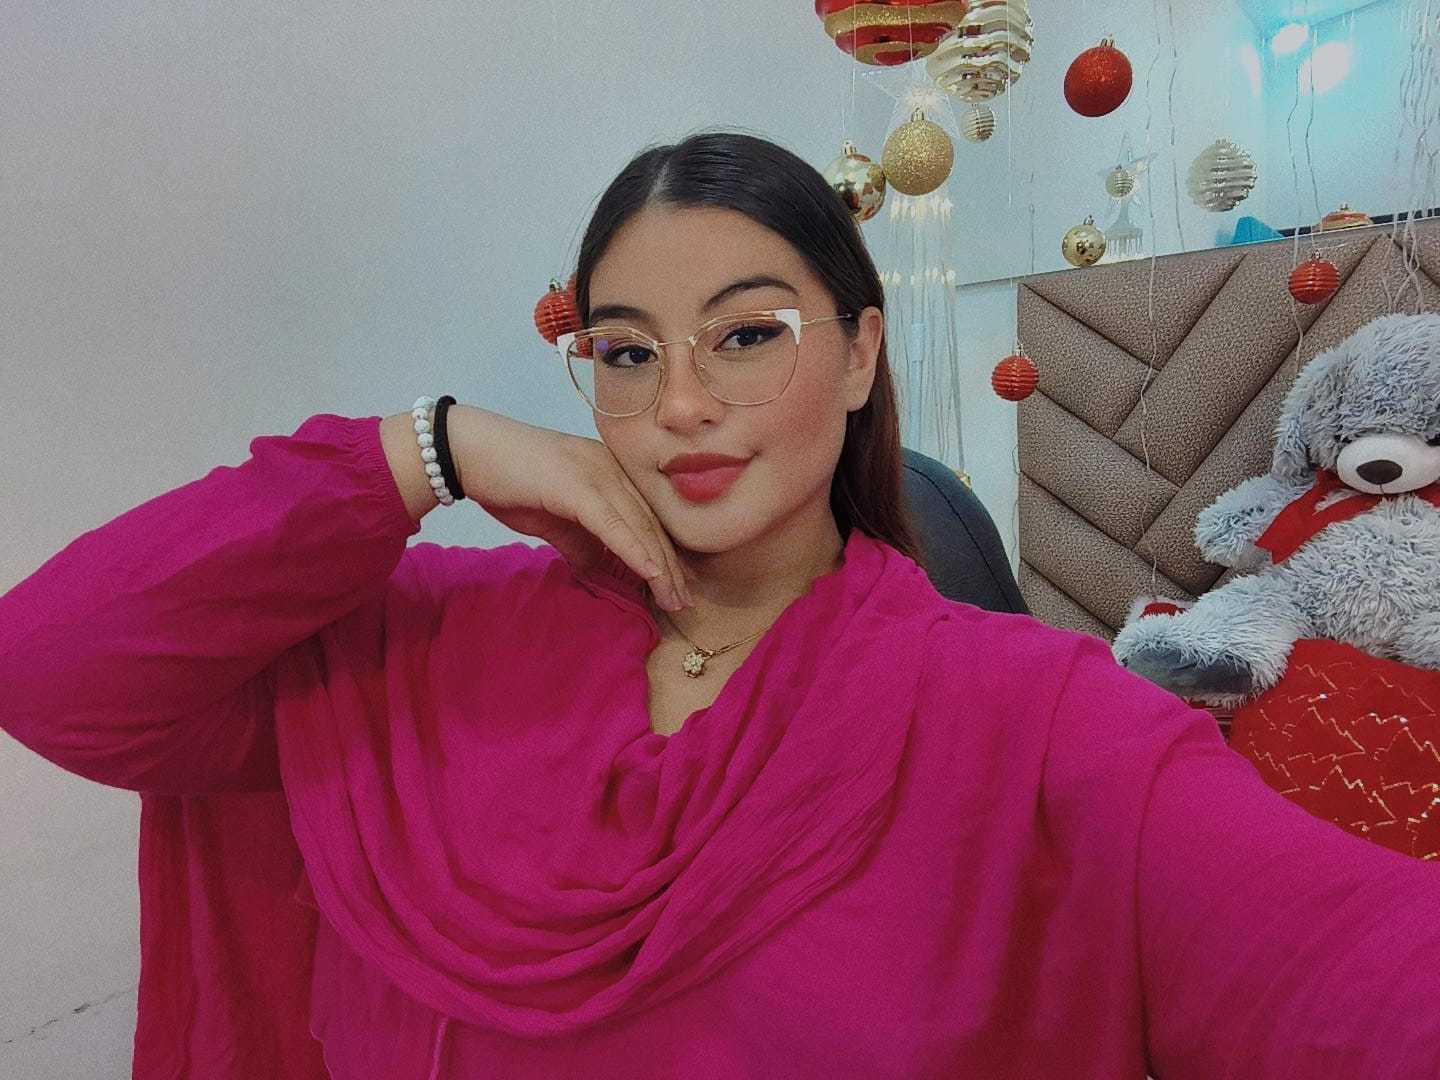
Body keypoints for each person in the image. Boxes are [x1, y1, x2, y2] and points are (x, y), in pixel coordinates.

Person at [1, 131, 1437, 1080]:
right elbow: (53, 668)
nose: (681, 404)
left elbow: (1341, 967)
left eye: (747, 335)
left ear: (861, 355)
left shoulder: (1031, 718)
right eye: (627, 353)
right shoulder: (415, 647)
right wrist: (419, 450)